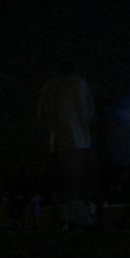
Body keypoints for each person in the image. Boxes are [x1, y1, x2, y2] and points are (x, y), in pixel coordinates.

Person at [38, 61, 95, 230]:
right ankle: (84, 217)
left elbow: (43, 114)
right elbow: (90, 112)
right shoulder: (81, 86)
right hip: (81, 141)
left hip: (60, 142)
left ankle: (68, 218)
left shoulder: (50, 88)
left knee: (64, 182)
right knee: (81, 180)